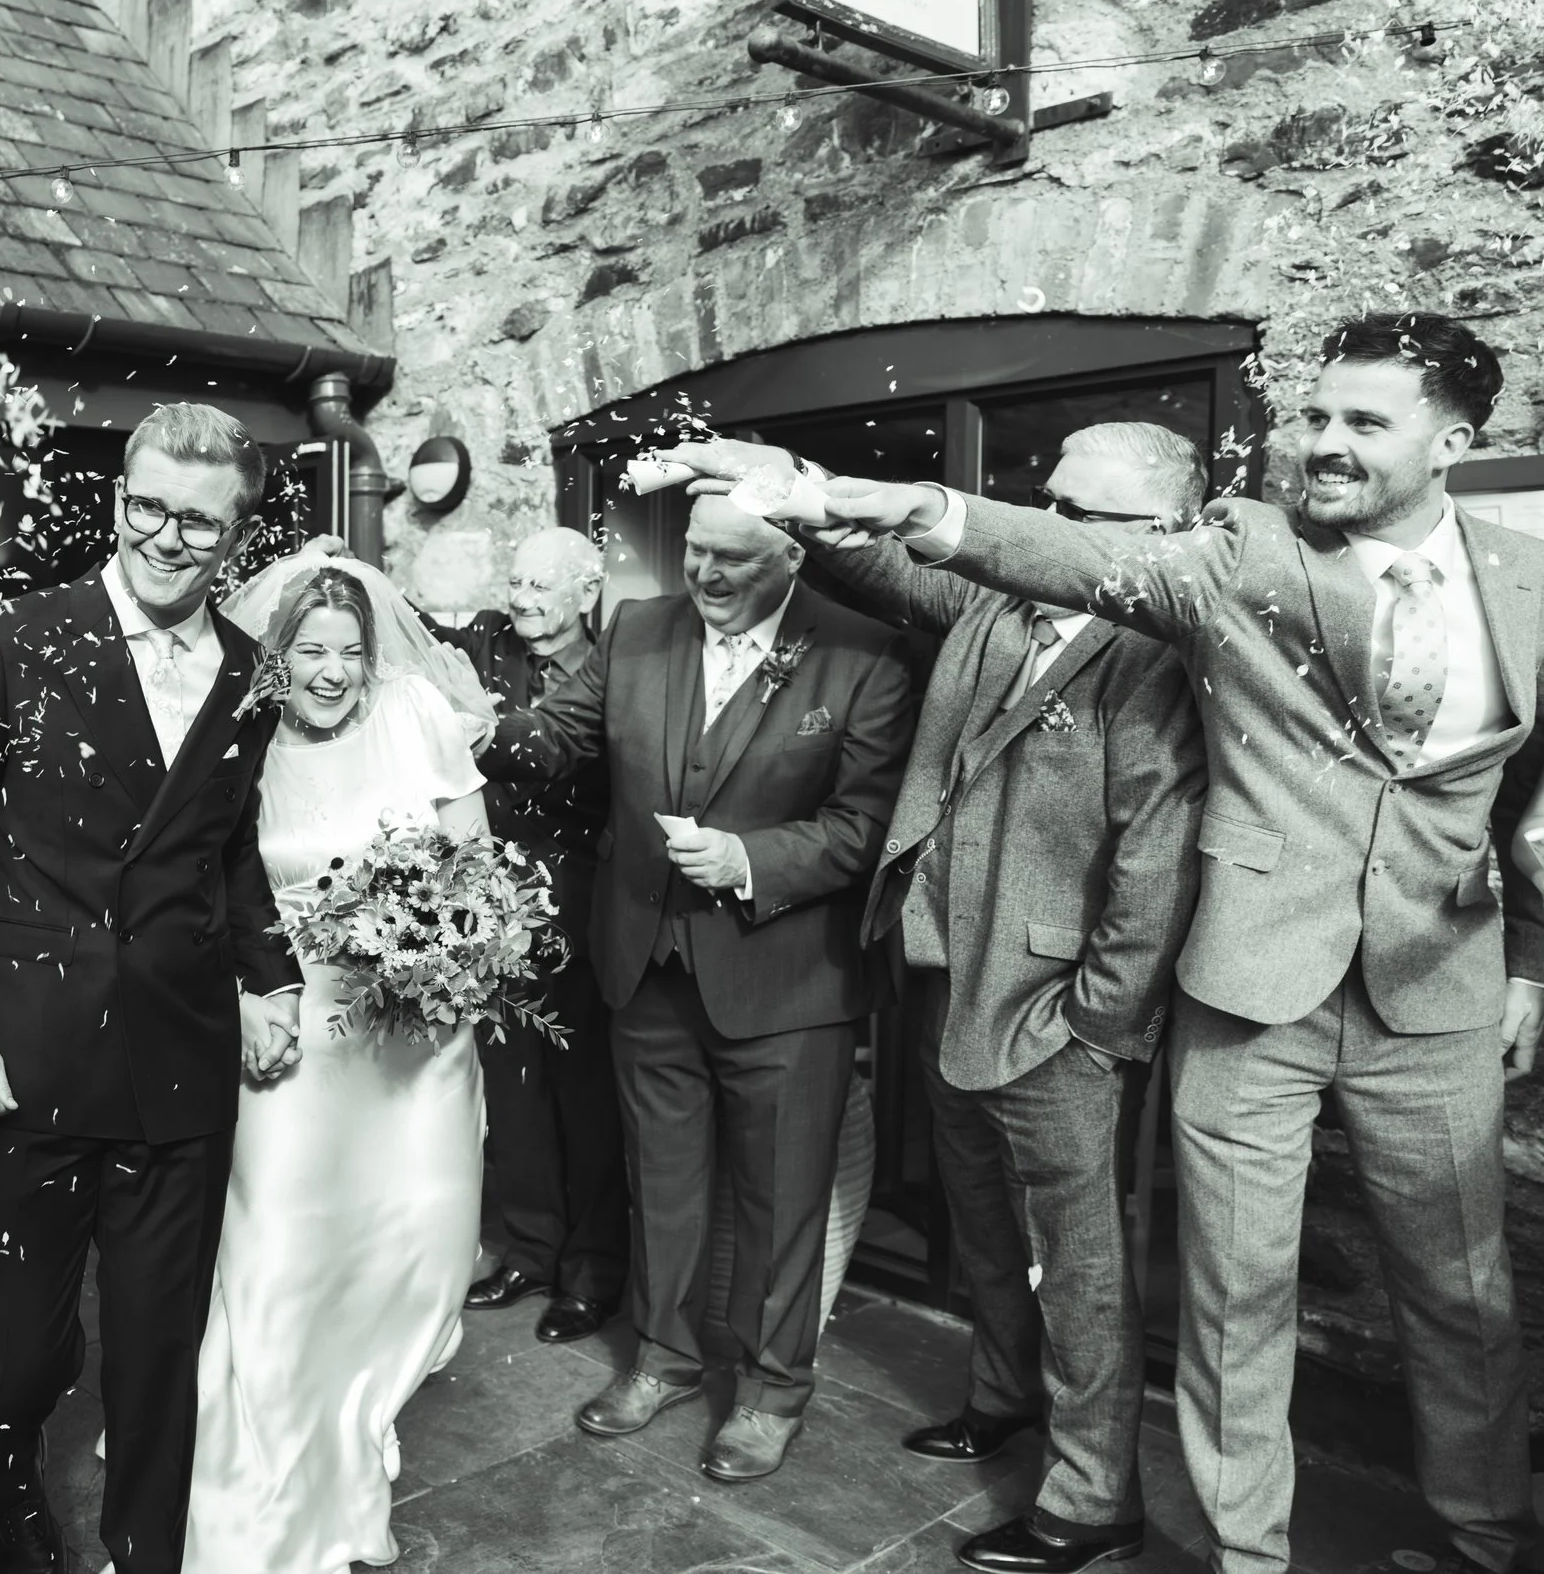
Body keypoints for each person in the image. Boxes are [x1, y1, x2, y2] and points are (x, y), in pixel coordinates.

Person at [797, 313, 1542, 1574]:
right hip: (1251, 983)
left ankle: (1489, 1535)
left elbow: (1526, 790)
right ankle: (1244, 1553)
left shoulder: (1524, 582)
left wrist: (1527, 956)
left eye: (1363, 421)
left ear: (1453, 441)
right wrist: (884, 499)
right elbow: (1036, 551)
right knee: (1231, 1294)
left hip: (1442, 989)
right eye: (1313, 415)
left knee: (1462, 1296)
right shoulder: (1243, 548)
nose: (1322, 442)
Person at [691, 422, 1210, 1573]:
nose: (1048, 528)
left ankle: (1092, 1496)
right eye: (1049, 499)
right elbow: (875, 557)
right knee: (980, 1223)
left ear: (1164, 534)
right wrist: (784, 488)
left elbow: (1154, 867)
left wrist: (1093, 1027)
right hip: (941, 975)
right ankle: (1002, 1395)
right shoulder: (992, 603)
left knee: (1078, 1266)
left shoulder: (1162, 652)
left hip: (1055, 1014)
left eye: (1086, 517)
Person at [0, 403, 304, 1574]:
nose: (168, 539)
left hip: (181, 1058)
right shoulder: (10, 637)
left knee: (162, 1342)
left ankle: (146, 1550)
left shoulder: (252, 672)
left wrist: (268, 978)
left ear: (238, 535)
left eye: (200, 524)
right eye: (148, 508)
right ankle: (13, 1504)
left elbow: (225, 849)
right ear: (118, 497)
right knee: (15, 1349)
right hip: (22, 1055)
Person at [484, 495, 919, 1484]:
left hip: (785, 975)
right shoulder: (639, 628)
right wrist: (476, 722)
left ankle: (771, 1394)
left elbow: (866, 824)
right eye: (695, 552)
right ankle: (665, 1359)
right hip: (646, 964)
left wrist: (747, 856)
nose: (707, 575)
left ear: (791, 552)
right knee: (662, 1184)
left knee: (779, 1200)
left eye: (733, 558)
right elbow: (557, 740)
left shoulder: (865, 651)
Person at [183, 553, 501, 1571]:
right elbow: (199, 892)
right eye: (308, 649)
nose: (330, 670)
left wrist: (444, 941)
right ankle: (271, 1471)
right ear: (274, 654)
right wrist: (242, 999)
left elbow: (477, 869)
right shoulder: (237, 734)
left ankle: (363, 1404)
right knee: (282, 1242)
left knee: (417, 1238)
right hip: (292, 1028)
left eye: (348, 651)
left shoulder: (418, 714)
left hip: (413, 1033)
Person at [437, 527, 629, 1343]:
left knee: (584, 1101)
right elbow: (410, 630)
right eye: (515, 580)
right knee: (509, 1089)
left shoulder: (623, 664)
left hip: (584, 909)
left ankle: (591, 1273)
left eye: (541, 585)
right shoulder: (483, 642)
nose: (520, 599)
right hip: (489, 903)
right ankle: (527, 1246)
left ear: (587, 592)